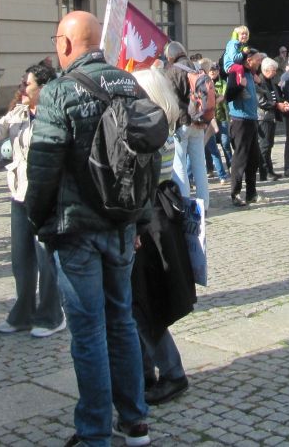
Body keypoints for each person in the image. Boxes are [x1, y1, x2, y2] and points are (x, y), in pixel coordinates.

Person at [26, 11, 152, 447]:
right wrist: (140, 218)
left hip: (76, 228)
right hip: (120, 225)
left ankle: (94, 431)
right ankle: (135, 421)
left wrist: (34, 220)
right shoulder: (129, 83)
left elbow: (42, 167)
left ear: (64, 44)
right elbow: (148, 163)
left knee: (89, 332)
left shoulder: (58, 92)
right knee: (121, 321)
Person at [131, 67, 194, 407]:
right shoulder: (163, 125)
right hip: (158, 215)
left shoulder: (152, 132)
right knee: (141, 303)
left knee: (145, 304)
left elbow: (141, 183)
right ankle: (146, 373)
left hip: (150, 222)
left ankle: (171, 373)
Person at [0, 62, 66, 336]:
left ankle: (51, 315)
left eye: (26, 84)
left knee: (45, 257)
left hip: (44, 196)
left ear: (42, 89)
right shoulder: (18, 113)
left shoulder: (54, 115)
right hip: (19, 193)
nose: (21, 88)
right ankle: (22, 313)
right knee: (21, 258)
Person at [165, 41, 211, 211]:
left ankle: (184, 204)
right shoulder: (196, 67)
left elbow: (173, 101)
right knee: (200, 163)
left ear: (171, 56)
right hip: (199, 121)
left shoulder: (171, 71)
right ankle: (204, 204)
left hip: (182, 123)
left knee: (180, 164)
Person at [225, 46, 262, 207]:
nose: (260, 62)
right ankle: (235, 194)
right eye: (258, 60)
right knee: (240, 159)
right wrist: (241, 85)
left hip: (252, 120)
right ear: (249, 60)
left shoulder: (250, 74)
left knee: (254, 159)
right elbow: (229, 95)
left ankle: (251, 194)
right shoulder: (236, 73)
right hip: (240, 121)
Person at [254, 56, 285, 182]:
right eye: (273, 70)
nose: (275, 73)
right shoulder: (259, 81)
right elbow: (261, 101)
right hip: (263, 117)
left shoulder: (270, 81)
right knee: (264, 145)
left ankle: (269, 170)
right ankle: (264, 172)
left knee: (269, 145)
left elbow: (275, 97)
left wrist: (281, 103)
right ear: (267, 70)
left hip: (270, 116)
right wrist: (276, 105)